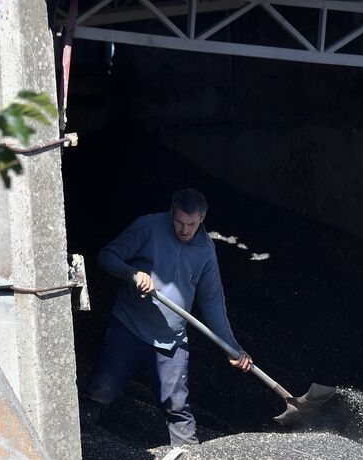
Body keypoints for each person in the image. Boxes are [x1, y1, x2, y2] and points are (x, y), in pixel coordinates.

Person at [81, 188, 253, 446]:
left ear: (202, 218)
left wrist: (230, 347)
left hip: (170, 340)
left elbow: (212, 302)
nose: (185, 230)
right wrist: (133, 274)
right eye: (180, 222)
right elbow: (107, 256)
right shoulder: (148, 227)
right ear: (172, 213)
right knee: (100, 390)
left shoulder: (205, 250)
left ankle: (188, 458)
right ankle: (78, 438)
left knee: (177, 405)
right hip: (129, 327)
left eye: (192, 224)